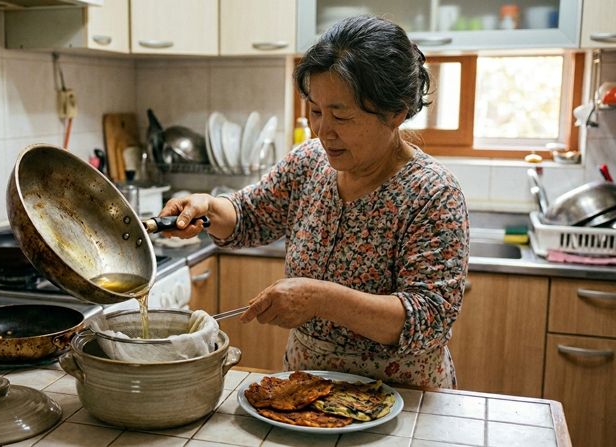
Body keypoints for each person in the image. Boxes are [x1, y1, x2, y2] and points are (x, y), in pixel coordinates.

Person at [159, 15, 469, 389]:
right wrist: (208, 209)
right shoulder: (309, 163)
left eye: (341, 115)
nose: (322, 130)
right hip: (305, 391)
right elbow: (249, 214)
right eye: (316, 110)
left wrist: (319, 299)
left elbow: (428, 319)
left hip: (402, 397)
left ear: (395, 113)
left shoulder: (433, 194)